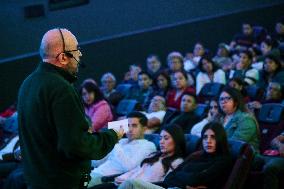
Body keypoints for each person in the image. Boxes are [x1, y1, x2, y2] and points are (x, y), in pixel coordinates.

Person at [17, 28, 124, 189]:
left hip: (37, 180)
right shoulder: (61, 88)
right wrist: (113, 134)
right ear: (63, 57)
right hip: (61, 182)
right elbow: (76, 146)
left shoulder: (28, 83)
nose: (80, 55)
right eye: (77, 50)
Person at [119, 122, 233, 189]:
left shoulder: (224, 160)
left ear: (220, 138)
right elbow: (170, 177)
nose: (208, 141)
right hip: (171, 187)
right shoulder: (197, 156)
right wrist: (187, 180)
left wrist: (182, 176)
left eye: (212, 137)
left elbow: (197, 179)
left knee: (131, 184)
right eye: (205, 137)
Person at [90, 124, 186, 189]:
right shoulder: (154, 155)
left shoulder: (178, 161)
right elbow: (135, 170)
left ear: (176, 140)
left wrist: (130, 182)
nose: (161, 141)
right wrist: (122, 177)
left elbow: (165, 184)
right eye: (160, 138)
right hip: (126, 184)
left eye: (166, 138)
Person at [88, 112, 156, 187]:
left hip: (108, 179)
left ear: (144, 129)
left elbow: (129, 167)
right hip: (94, 172)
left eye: (134, 126)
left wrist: (115, 142)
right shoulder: (122, 141)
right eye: (127, 125)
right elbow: (100, 161)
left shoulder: (147, 145)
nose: (129, 129)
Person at [219, 87, 259, 152]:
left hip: (243, 158)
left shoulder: (246, 120)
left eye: (228, 98)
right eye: (221, 99)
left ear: (236, 101)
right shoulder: (220, 119)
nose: (223, 101)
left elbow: (234, 145)